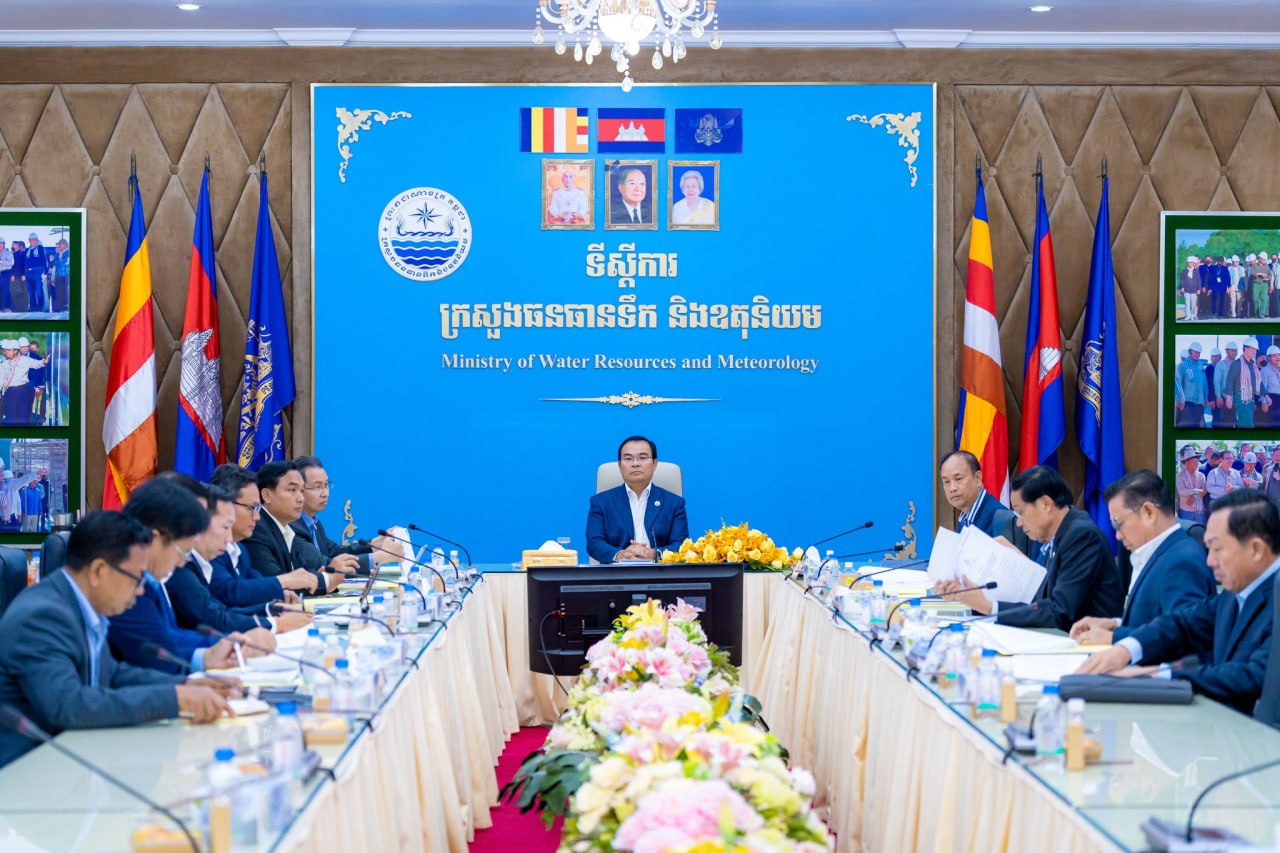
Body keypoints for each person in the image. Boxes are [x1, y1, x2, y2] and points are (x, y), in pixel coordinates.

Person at [0, 511, 238, 768]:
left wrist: (187, 684)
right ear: (99, 571)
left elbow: (111, 675)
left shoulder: (79, 604)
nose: (141, 590)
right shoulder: (42, 616)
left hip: (73, 757)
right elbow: (69, 706)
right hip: (25, 771)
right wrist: (176, 699)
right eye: (137, 578)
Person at [1077, 490, 1278, 715]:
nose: (1210, 561)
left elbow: (1252, 677)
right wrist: (1126, 649)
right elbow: (1183, 623)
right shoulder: (1236, 592)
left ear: (1256, 549)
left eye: (1217, 548)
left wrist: (1159, 675)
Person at [109, 477, 272, 674]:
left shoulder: (151, 575)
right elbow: (153, 651)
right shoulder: (124, 581)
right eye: (182, 551)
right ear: (155, 537)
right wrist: (213, 651)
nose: (182, 562)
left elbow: (168, 635)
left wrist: (215, 649)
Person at [936, 465, 1123, 631]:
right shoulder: (1061, 533)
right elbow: (1042, 595)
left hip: (1089, 644)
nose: (1018, 522)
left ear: (1046, 505)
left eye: (1021, 512)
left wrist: (989, 607)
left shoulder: (1080, 536)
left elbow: (1059, 611)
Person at [1069, 471, 1215, 646]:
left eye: (1119, 524)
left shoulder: (1183, 561)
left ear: (1148, 512)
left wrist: (1115, 638)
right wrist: (1116, 625)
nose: (1118, 536)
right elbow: (1157, 621)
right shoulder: (1161, 552)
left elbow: (1183, 635)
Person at [167, 484, 311, 635]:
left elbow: (223, 611)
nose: (229, 539)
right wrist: (276, 624)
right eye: (225, 527)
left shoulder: (238, 551)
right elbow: (217, 618)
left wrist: (270, 609)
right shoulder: (181, 569)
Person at [208, 464, 317, 607]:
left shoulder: (240, 550)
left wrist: (278, 596)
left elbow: (255, 584)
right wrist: (284, 581)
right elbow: (229, 592)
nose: (257, 516)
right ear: (225, 505)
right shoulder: (210, 549)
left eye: (258, 508)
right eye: (251, 508)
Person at [242, 461, 343, 593]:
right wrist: (325, 580)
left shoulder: (285, 529)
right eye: (292, 490)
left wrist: (316, 576)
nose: (300, 498)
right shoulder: (257, 529)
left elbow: (294, 574)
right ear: (266, 495)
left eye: (301, 491)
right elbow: (276, 583)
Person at [586, 436, 689, 563]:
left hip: (659, 571)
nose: (635, 464)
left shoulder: (673, 503)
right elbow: (594, 543)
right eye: (628, 458)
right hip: (617, 571)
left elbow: (681, 544)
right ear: (619, 466)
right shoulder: (601, 502)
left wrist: (654, 554)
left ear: (655, 464)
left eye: (643, 457)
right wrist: (621, 555)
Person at [290, 455, 394, 574]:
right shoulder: (292, 526)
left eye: (326, 485)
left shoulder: (314, 523)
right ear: (297, 489)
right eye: (318, 487)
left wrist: (373, 545)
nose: (325, 493)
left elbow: (335, 553)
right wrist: (381, 557)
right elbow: (325, 565)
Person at [939, 449, 1008, 537]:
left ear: (978, 478)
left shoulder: (999, 519)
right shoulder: (964, 518)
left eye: (958, 479)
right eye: (946, 482)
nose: (952, 488)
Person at [1226, 337, 1266, 428]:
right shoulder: (1237, 363)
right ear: (1246, 349)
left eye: (1256, 349)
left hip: (1251, 399)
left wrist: (1266, 395)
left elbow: (1258, 381)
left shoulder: (1253, 365)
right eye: (1253, 349)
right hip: (1240, 398)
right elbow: (1229, 380)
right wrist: (1228, 397)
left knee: (1247, 424)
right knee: (1247, 424)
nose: (1255, 352)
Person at [1174, 343, 1207, 428]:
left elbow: (1204, 383)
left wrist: (1205, 398)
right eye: (1195, 352)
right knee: (1186, 426)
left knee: (1196, 427)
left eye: (1199, 352)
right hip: (1187, 402)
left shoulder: (1200, 366)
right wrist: (1178, 399)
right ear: (1190, 352)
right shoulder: (1183, 365)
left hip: (1199, 403)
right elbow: (1178, 383)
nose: (1197, 354)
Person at [1175, 446, 1207, 523]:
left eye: (1197, 462)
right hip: (1186, 510)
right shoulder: (1180, 476)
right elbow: (1181, 491)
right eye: (1193, 462)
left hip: (1199, 510)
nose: (1196, 464)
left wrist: (1194, 496)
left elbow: (1204, 490)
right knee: (1187, 529)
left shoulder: (1201, 475)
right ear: (1186, 463)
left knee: (1200, 529)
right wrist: (1196, 491)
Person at [1214, 342, 1238, 427]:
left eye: (1235, 351)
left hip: (1238, 399)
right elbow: (1217, 382)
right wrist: (1218, 397)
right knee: (1227, 423)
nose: (1234, 353)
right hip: (1225, 398)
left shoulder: (1239, 364)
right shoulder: (1220, 365)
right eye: (1232, 350)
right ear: (1227, 351)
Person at [1179, 254, 1201, 320]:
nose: (1190, 264)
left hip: (1194, 290)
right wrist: (1182, 287)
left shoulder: (1196, 271)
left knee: (1193, 303)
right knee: (1187, 303)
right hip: (1186, 289)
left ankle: (1192, 315)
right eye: (1188, 262)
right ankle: (1188, 315)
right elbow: (1182, 279)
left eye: (1191, 262)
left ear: (1193, 263)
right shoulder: (1184, 270)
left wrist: (1199, 289)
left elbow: (1198, 280)